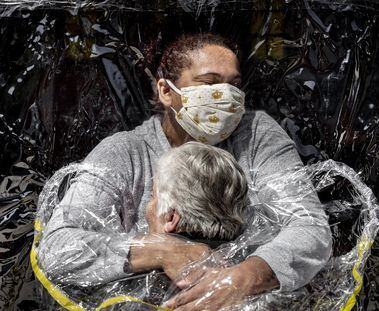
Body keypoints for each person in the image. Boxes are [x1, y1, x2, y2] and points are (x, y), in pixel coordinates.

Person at [37, 33, 332, 311]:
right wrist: (161, 250)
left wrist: (243, 278)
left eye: (234, 84)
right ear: (166, 90)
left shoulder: (257, 136)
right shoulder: (125, 153)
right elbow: (59, 249)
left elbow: (310, 228)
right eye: (209, 83)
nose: (225, 96)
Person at [144, 141, 248, 245]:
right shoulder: (246, 254)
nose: (148, 206)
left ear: (171, 218)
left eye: (152, 197)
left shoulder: (142, 258)